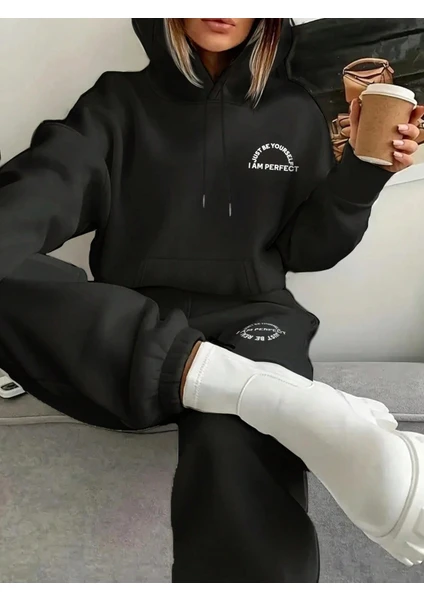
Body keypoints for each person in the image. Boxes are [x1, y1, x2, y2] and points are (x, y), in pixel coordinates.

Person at [0, 18, 423, 583]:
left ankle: (255, 390)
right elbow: (46, 184)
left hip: (254, 324)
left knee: (236, 445)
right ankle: (267, 395)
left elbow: (307, 248)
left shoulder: (295, 110)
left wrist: (364, 173)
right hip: (128, 334)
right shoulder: (116, 102)